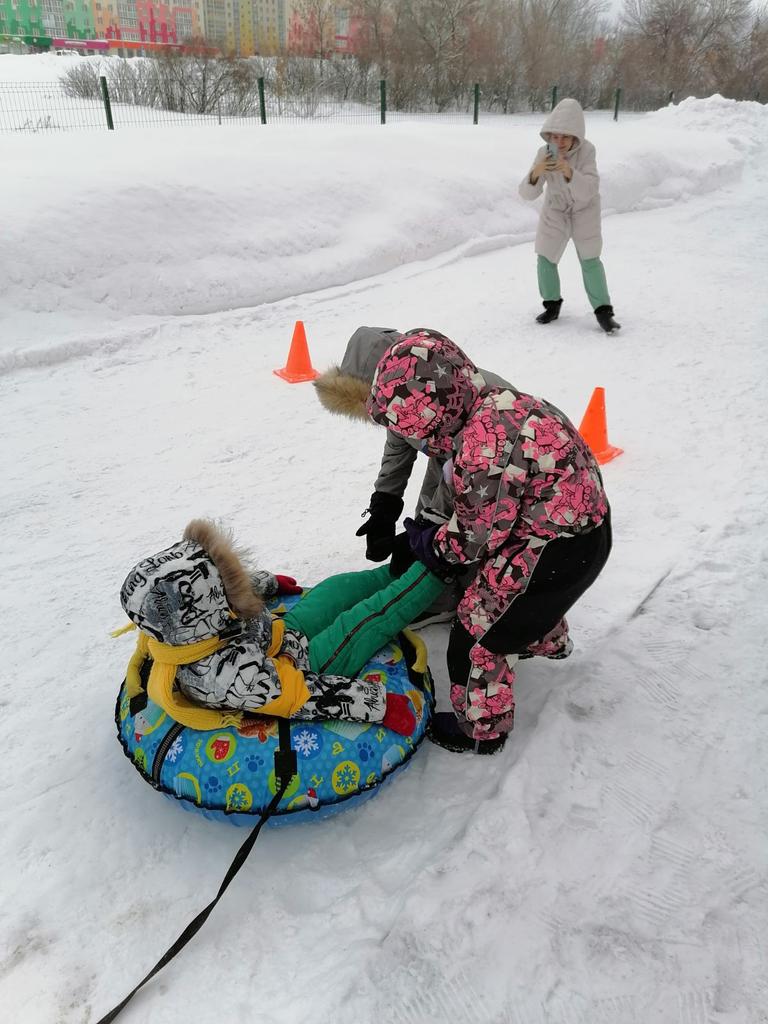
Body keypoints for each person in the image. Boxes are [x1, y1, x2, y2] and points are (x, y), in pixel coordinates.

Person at [358, 328, 612, 755]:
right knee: (524, 602)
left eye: (416, 431)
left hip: (554, 550)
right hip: (580, 533)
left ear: (434, 416)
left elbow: (472, 541)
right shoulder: (496, 403)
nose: (418, 442)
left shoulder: (483, 446)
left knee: (477, 633)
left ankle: (482, 728)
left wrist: (428, 542)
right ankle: (545, 640)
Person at [119, 518, 448, 736]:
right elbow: (297, 695)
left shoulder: (187, 626)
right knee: (365, 621)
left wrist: (266, 584)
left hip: (278, 635)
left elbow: (226, 592)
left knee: (336, 589)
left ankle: (401, 567)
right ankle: (435, 570)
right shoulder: (224, 677)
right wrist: (378, 705)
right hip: (298, 668)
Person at [313, 326, 511, 626]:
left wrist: (429, 531)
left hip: (497, 461)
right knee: (427, 524)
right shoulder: (406, 394)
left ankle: (464, 596)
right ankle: (434, 586)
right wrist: (384, 504)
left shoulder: (442, 392)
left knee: (461, 530)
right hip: (448, 452)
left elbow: (464, 479)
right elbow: (398, 444)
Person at [519, 97, 621, 334]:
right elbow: (527, 193)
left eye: (565, 136)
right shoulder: (544, 153)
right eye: (555, 136)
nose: (560, 141)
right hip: (555, 209)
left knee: (590, 259)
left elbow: (589, 190)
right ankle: (552, 305)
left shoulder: (587, 151)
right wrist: (536, 172)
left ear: (576, 135)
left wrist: (567, 171)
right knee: (545, 257)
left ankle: (604, 312)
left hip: (585, 210)